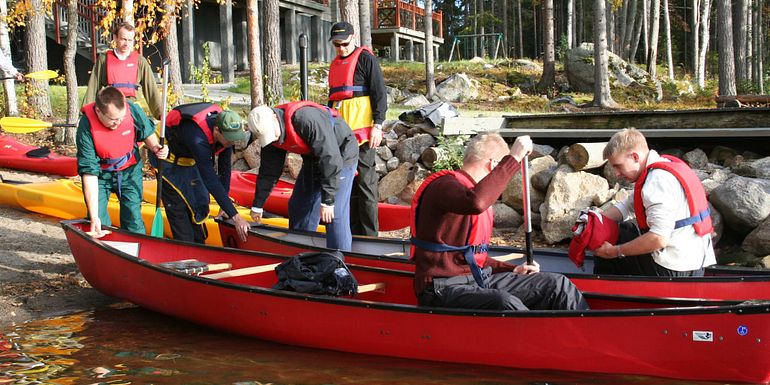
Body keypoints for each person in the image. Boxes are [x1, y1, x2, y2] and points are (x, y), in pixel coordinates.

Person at [411, 133, 588, 311]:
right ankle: (540, 335)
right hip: (442, 289)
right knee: (504, 302)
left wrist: (512, 269)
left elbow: (470, 257)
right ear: (494, 165)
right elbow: (477, 202)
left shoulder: (468, 192)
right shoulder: (444, 186)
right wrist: (514, 157)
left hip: (477, 279)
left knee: (557, 285)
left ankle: (586, 335)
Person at [589, 128, 716, 276]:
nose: (616, 173)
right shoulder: (662, 167)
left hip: (675, 269)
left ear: (635, 156)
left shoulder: (656, 182)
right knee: (623, 229)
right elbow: (626, 206)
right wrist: (594, 221)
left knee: (614, 235)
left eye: (618, 166)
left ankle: (601, 288)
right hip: (695, 264)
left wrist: (615, 251)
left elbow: (658, 238)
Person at [247, 101, 358, 251]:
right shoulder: (272, 137)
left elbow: (331, 159)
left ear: (274, 117)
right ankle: (301, 254)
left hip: (341, 155)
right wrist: (258, 205)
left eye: (271, 133)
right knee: (299, 206)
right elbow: (268, 172)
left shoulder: (306, 119)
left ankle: (341, 260)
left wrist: (328, 201)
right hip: (314, 158)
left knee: (334, 214)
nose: (272, 138)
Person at [151, 102, 251, 244]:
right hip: (167, 160)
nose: (232, 142)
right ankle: (185, 249)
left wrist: (225, 206)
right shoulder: (197, 137)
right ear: (217, 130)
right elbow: (210, 179)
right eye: (229, 138)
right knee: (179, 208)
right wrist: (236, 216)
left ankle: (199, 245)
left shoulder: (227, 136)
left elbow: (224, 169)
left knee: (199, 204)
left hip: (190, 160)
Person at [76, 86, 168, 236]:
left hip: (129, 171)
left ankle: (137, 252)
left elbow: (147, 132)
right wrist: (94, 217)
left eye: (121, 118)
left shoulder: (131, 110)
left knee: (133, 219)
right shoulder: (86, 127)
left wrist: (157, 147)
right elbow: (89, 173)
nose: (118, 123)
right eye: (113, 119)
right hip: (100, 175)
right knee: (100, 222)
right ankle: (103, 251)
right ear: (98, 111)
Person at [327, 21, 387, 237]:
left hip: (363, 136)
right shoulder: (335, 65)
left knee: (366, 185)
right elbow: (331, 102)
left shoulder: (366, 59)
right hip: (340, 137)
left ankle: (370, 236)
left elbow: (379, 94)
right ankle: (351, 232)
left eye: (343, 43)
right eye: (336, 45)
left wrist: (377, 126)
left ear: (353, 38)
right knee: (346, 185)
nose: (340, 48)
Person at [82, 22, 162, 119]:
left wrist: (161, 114)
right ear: (115, 38)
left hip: (131, 108)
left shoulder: (140, 62)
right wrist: (85, 113)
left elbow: (151, 89)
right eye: (123, 39)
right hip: (110, 108)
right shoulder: (104, 59)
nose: (126, 44)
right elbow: (93, 87)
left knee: (145, 128)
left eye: (130, 40)